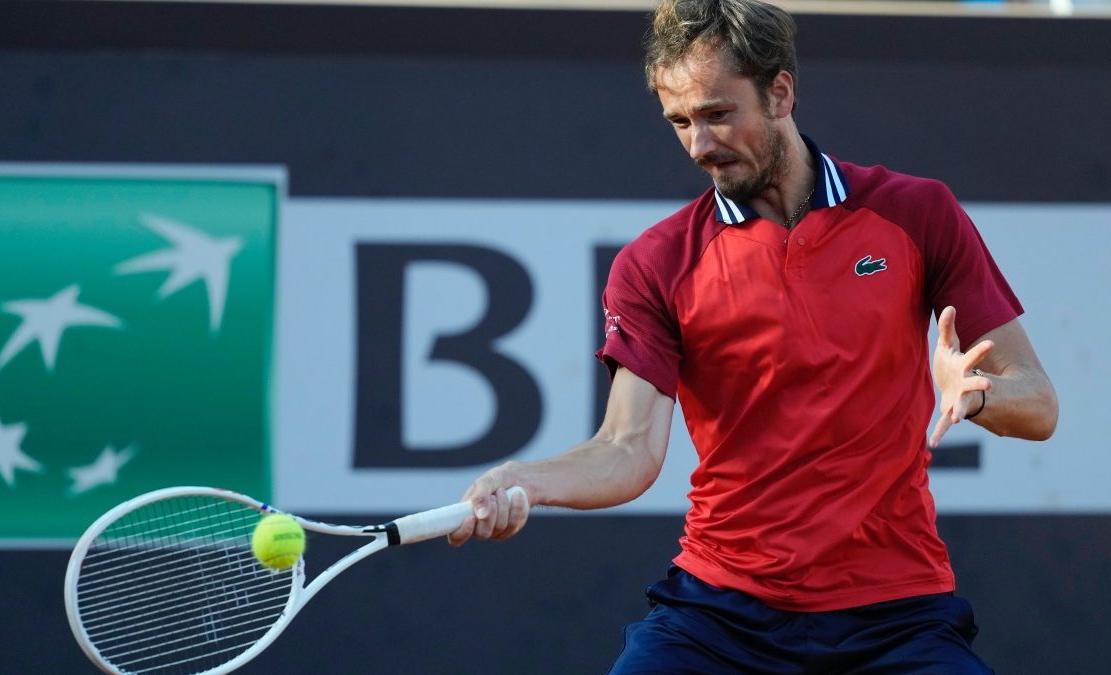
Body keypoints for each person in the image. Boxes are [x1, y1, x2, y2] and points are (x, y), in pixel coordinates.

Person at [448, 0, 1058, 672]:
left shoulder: (916, 213)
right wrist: (524, 480)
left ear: (780, 92)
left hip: (896, 614)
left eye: (716, 113)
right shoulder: (656, 263)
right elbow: (626, 449)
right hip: (721, 614)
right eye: (679, 121)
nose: (699, 144)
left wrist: (970, 395)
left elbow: (1037, 403)